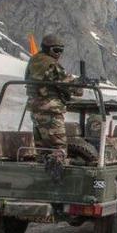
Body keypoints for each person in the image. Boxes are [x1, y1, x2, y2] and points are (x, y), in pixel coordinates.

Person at [25, 34, 82, 164]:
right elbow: (69, 85)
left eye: (61, 50)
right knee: (59, 148)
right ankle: (57, 180)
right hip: (51, 110)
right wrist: (80, 85)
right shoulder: (51, 64)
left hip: (35, 110)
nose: (59, 54)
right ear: (47, 49)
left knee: (42, 149)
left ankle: (41, 177)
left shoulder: (34, 61)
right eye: (56, 50)